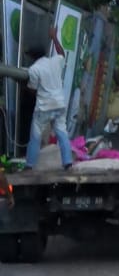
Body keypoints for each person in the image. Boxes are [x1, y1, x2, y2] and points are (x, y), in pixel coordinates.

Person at [24, 26, 73, 171]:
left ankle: (29, 166)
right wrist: (54, 38)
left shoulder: (34, 69)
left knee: (35, 136)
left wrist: (22, 85)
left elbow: (32, 91)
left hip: (44, 107)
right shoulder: (55, 62)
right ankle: (68, 163)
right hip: (59, 104)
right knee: (62, 134)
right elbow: (62, 54)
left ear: (32, 57)